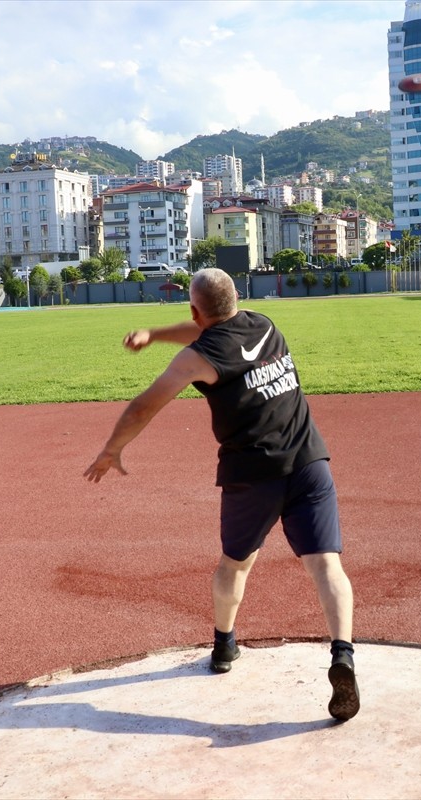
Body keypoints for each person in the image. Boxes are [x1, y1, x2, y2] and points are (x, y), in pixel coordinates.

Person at [83, 268, 360, 722]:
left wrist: (111, 450)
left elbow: (143, 406)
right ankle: (343, 654)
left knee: (235, 563)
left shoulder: (198, 357)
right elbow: (209, 321)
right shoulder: (265, 322)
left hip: (252, 474)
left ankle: (224, 645)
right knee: (326, 563)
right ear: (237, 298)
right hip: (310, 462)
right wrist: (155, 335)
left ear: (195, 311)